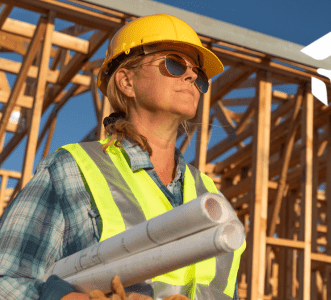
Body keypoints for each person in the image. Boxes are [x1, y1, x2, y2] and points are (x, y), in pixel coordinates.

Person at [0, 14, 245, 300]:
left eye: (198, 75)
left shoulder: (213, 199)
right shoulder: (73, 170)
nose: (191, 76)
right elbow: (8, 281)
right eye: (175, 63)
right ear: (127, 81)